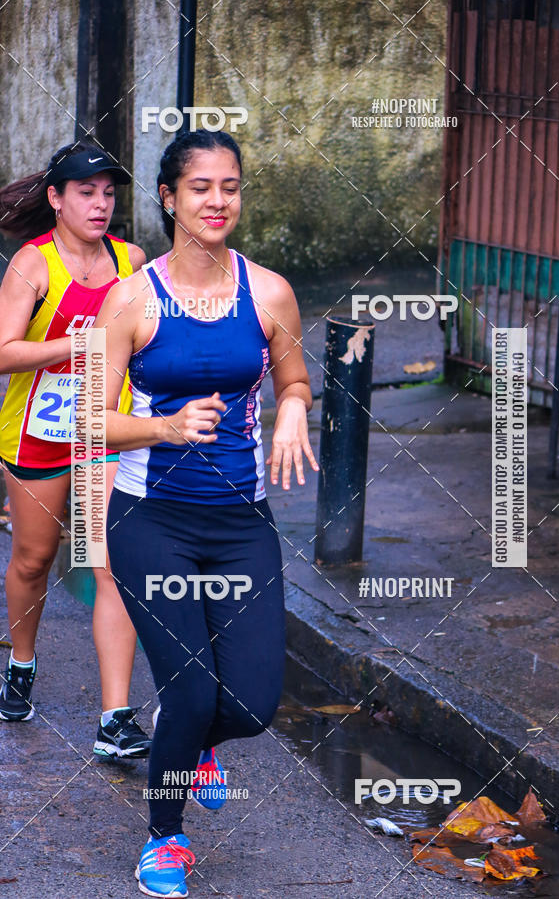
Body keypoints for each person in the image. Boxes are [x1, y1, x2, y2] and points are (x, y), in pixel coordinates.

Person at [96, 129, 318, 898]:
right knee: (190, 691)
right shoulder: (130, 299)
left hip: (240, 522)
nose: (217, 200)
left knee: (253, 705)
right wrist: (162, 425)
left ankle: (192, 744)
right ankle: (164, 837)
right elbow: (90, 419)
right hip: (151, 518)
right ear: (169, 198)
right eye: (200, 187)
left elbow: (293, 377)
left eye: (229, 186)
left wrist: (293, 408)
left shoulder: (269, 292)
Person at [0, 141, 152, 758]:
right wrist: (83, 345)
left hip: (100, 433)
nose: (100, 204)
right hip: (35, 429)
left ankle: (114, 719)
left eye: (109, 193)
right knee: (35, 561)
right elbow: (3, 352)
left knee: (107, 565)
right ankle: (22, 664)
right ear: (56, 200)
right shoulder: (31, 266)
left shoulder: (131, 259)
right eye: (86, 192)